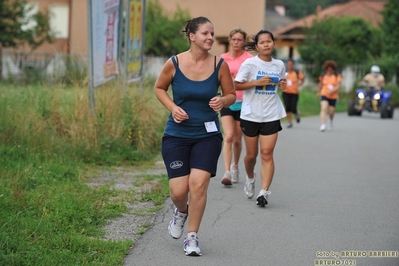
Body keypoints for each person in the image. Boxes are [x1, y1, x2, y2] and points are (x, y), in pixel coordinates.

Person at [154, 16, 235, 256]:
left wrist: (222, 100)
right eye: (205, 34)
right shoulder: (174, 63)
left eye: (212, 34)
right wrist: (172, 107)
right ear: (192, 36)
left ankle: (192, 237)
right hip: (176, 135)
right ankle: (181, 211)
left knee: (198, 185)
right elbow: (159, 88)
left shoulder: (219, 65)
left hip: (207, 134)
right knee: (179, 192)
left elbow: (231, 95)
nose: (211, 38)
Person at [234, 30, 287, 207]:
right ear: (256, 46)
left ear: (273, 43)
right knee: (251, 155)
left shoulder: (279, 64)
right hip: (251, 114)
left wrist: (283, 84)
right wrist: (256, 82)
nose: (266, 44)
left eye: (269, 41)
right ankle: (250, 177)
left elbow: (282, 81)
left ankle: (263, 192)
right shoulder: (250, 64)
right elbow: (237, 84)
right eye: (262, 42)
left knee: (267, 153)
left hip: (271, 114)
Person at [219, 28, 253, 186]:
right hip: (226, 100)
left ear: (244, 41)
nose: (237, 42)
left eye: (240, 40)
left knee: (238, 140)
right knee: (229, 136)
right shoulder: (222, 58)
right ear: (230, 40)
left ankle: (235, 166)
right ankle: (226, 171)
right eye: (234, 39)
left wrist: (238, 81)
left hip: (243, 103)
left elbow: (251, 80)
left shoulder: (249, 59)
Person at [317, 60, 342, 132]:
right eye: (328, 68)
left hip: (333, 96)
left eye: (331, 68)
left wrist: (332, 91)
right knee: (324, 108)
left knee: (331, 112)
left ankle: (330, 121)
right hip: (324, 94)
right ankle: (323, 124)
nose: (329, 70)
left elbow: (338, 85)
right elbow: (320, 84)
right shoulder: (323, 75)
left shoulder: (337, 75)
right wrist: (318, 92)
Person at [282, 58, 305, 128]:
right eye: (288, 64)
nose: (290, 66)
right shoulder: (284, 72)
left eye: (291, 64)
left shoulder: (297, 72)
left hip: (294, 92)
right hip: (286, 92)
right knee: (287, 107)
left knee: (293, 107)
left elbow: (302, 79)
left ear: (293, 64)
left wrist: (298, 85)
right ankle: (290, 122)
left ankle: (296, 113)